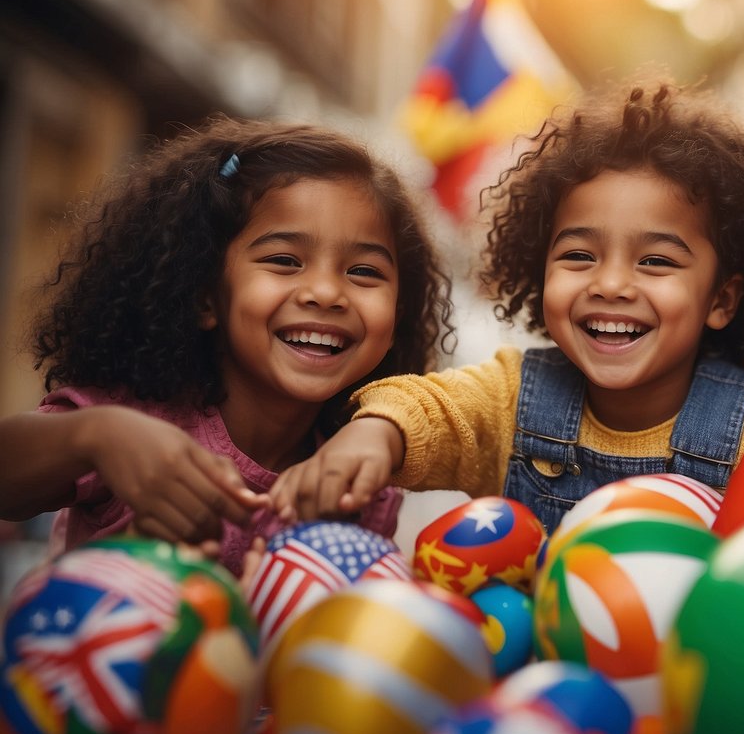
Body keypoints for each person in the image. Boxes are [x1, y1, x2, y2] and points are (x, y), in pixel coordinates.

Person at [269, 81, 744, 533]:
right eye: (580, 255)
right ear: (539, 269)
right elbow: (432, 407)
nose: (612, 284)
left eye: (655, 262)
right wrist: (375, 435)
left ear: (720, 300)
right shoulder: (513, 397)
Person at [0, 116, 453, 576]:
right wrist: (92, 438)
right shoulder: (134, 424)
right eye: (284, 260)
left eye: (364, 272)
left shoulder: (360, 478)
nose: (326, 292)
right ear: (204, 295)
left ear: (398, 315)